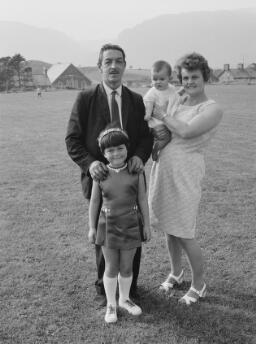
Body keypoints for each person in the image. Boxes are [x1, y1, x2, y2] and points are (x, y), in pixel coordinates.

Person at [65, 43, 153, 307]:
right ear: (100, 66)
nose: (113, 66)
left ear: (125, 65)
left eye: (118, 61)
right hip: (100, 181)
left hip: (130, 180)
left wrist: (139, 155)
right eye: (108, 61)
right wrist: (90, 164)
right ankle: (106, 291)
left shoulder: (137, 101)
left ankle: (130, 289)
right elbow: (72, 140)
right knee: (104, 235)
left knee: (132, 232)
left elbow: (146, 138)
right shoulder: (85, 99)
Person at [149, 52, 223, 305]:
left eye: (194, 77)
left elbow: (186, 131)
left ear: (205, 77)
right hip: (164, 169)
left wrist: (161, 113)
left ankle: (199, 284)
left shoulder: (212, 108)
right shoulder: (179, 101)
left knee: (184, 230)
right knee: (170, 229)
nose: (189, 82)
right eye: (185, 77)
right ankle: (176, 273)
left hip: (186, 173)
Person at [88, 126, 151, 323]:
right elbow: (95, 202)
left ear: (127, 148)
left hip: (131, 225)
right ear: (103, 153)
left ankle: (124, 299)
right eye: (110, 150)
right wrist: (91, 227)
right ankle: (111, 304)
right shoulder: (100, 174)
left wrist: (146, 226)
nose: (116, 153)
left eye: (120, 148)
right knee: (111, 267)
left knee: (127, 266)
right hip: (108, 227)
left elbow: (142, 199)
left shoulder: (136, 171)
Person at [143, 60, 177, 161]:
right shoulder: (153, 92)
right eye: (155, 79)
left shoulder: (171, 89)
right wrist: (148, 114)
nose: (158, 82)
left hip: (166, 120)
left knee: (171, 136)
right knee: (166, 138)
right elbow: (149, 102)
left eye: (162, 79)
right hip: (156, 123)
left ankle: (157, 145)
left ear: (169, 78)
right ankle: (155, 148)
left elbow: (175, 97)